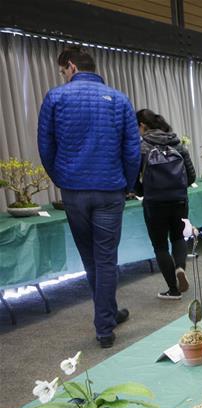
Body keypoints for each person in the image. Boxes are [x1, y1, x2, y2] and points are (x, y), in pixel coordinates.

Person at [38, 46, 141, 348]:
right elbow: (132, 150)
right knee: (106, 259)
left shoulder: (55, 98)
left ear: (70, 66)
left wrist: (61, 178)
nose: (62, 76)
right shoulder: (119, 99)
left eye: (61, 71)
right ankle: (105, 323)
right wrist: (129, 184)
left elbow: (46, 146)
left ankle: (106, 317)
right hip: (110, 190)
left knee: (90, 259)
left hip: (74, 191)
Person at [135, 109, 195, 300]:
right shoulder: (177, 143)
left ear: (143, 125)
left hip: (154, 203)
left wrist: (141, 192)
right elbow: (191, 175)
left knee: (160, 246)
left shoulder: (142, 147)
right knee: (178, 238)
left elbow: (134, 178)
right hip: (179, 200)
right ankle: (180, 268)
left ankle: (173, 289)